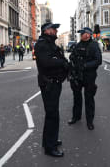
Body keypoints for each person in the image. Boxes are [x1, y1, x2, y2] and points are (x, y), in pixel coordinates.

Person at [35, 22, 69, 157]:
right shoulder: (42, 44)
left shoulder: (50, 44)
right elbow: (47, 62)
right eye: (53, 29)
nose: (55, 31)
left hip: (54, 83)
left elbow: (56, 57)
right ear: (46, 31)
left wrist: (62, 61)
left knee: (52, 114)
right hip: (49, 84)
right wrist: (62, 63)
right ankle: (50, 147)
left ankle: (49, 141)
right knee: (52, 115)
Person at [68, 27, 102, 130]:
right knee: (77, 97)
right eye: (83, 33)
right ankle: (76, 117)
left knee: (89, 99)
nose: (84, 35)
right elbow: (72, 57)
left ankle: (89, 121)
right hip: (77, 76)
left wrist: (85, 65)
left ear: (90, 34)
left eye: (87, 33)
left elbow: (98, 60)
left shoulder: (94, 45)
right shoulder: (77, 45)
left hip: (89, 76)